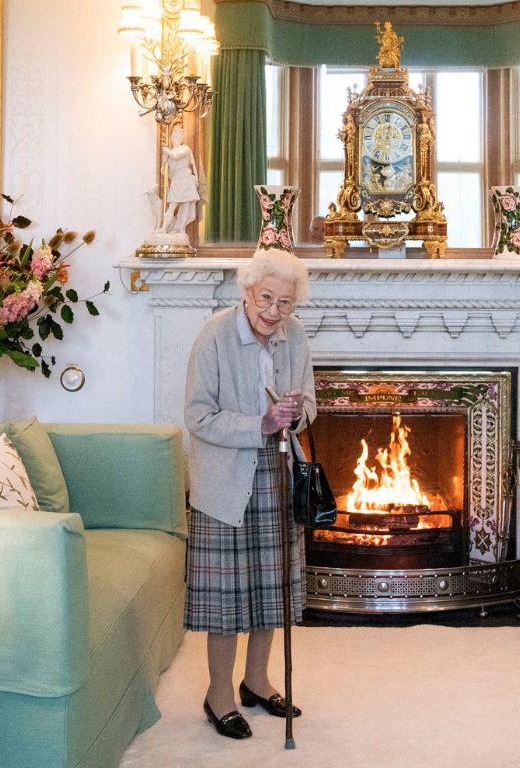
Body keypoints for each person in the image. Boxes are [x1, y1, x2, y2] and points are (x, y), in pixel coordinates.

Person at [184, 248, 315, 740]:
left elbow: (311, 405)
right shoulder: (215, 334)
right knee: (227, 598)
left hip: (278, 472)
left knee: (269, 588)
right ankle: (218, 695)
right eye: (266, 298)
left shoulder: (294, 336)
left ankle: (256, 682)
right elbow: (196, 416)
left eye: (285, 303)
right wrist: (259, 423)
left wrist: (295, 413)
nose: (273, 312)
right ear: (246, 291)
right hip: (224, 479)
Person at [157, 125, 202, 235]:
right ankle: (164, 228)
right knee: (172, 205)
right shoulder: (170, 152)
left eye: (178, 136)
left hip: (185, 179)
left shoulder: (185, 149)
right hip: (176, 180)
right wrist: (163, 162)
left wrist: (168, 152)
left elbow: (176, 156)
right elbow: (164, 172)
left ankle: (181, 228)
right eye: (174, 136)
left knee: (186, 205)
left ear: (181, 138)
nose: (175, 138)